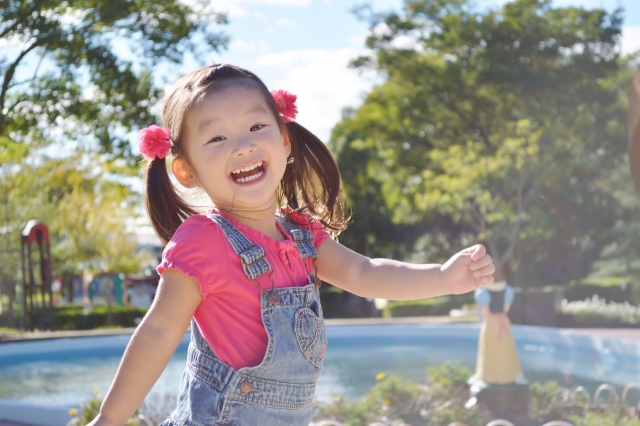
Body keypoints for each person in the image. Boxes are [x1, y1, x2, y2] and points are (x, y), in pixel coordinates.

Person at [88, 63, 495, 426]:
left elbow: (365, 272)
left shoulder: (303, 236)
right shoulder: (203, 241)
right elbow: (158, 332)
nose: (242, 145)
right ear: (185, 169)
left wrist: (442, 277)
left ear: (284, 141)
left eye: (255, 127)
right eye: (216, 138)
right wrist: (108, 419)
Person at [468, 267, 525, 387]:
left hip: (491, 324)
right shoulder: (508, 290)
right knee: (507, 350)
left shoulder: (482, 292)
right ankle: (511, 375)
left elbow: (485, 312)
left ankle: (486, 376)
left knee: (489, 351)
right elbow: (506, 309)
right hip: (504, 322)